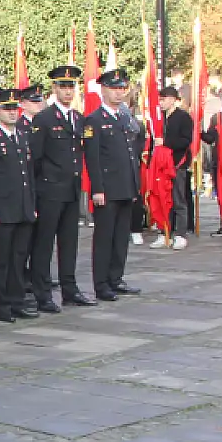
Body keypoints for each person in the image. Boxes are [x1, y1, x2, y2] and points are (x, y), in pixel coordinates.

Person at [27, 66, 93, 312]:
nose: (67, 91)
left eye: (71, 87)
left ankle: (70, 289)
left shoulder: (78, 118)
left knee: (70, 242)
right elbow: (35, 158)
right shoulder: (44, 119)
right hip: (49, 190)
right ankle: (42, 293)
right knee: (44, 244)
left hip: (71, 190)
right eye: (63, 87)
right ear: (54, 89)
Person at [82, 69, 145, 300]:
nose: (118, 93)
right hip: (107, 189)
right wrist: (97, 188)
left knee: (121, 237)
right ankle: (101, 284)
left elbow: (132, 152)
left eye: (121, 89)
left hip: (126, 186)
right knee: (104, 238)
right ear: (103, 90)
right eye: (114, 88)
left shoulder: (125, 117)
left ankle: (116, 278)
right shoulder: (95, 120)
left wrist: (135, 185)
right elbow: (93, 157)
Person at [0, 92, 38, 323]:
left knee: (18, 258)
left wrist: (31, 205)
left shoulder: (23, 136)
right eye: (6, 109)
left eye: (15, 108)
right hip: (2, 209)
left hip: (22, 207)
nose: (12, 112)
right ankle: (1, 304)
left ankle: (17, 300)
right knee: (0, 260)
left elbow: (28, 175)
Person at [159, 86, 194, 247]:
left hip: (177, 163)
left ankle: (181, 233)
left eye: (163, 99)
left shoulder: (183, 117)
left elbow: (186, 141)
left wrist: (166, 144)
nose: (161, 103)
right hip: (162, 164)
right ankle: (165, 230)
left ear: (173, 100)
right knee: (164, 199)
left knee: (178, 198)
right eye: (160, 99)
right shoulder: (161, 117)